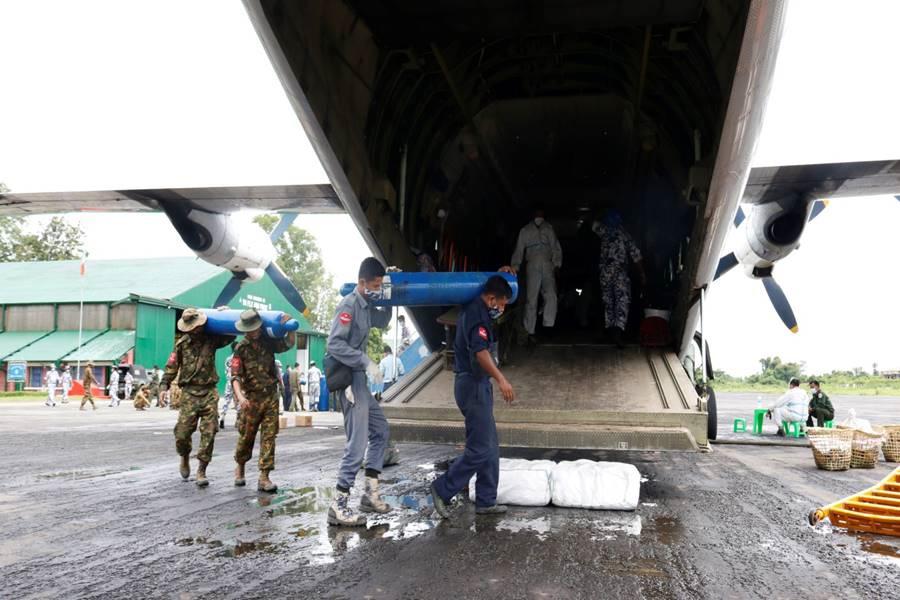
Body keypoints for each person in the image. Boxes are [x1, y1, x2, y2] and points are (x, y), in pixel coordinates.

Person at [430, 274, 516, 518]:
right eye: (500, 305)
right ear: (490, 299)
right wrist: (501, 379)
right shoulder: (476, 315)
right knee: (479, 449)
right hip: (472, 385)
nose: (501, 309)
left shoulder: (480, 311)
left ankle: (486, 500)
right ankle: (442, 488)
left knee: (490, 446)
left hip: (478, 384)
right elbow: (480, 352)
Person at [326, 257, 393, 526]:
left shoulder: (367, 306)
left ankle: (370, 494)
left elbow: (382, 322)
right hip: (350, 380)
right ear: (361, 282)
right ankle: (338, 504)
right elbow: (334, 344)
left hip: (360, 380)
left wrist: (390, 296)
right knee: (357, 444)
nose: (376, 289)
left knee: (381, 431)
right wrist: (365, 361)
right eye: (375, 286)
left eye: (380, 286)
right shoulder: (349, 305)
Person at [160, 308, 235, 487]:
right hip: (189, 394)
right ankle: (184, 456)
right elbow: (171, 367)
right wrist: (164, 386)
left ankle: (202, 470)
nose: (195, 330)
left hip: (209, 392)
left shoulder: (212, 339)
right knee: (182, 433)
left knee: (209, 432)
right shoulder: (181, 345)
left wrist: (225, 315)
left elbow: (231, 335)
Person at [232, 309, 295, 493]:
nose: (256, 331)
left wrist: (292, 326)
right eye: (252, 329)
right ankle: (240, 467)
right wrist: (241, 397)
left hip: (270, 397)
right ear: (245, 330)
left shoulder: (268, 342)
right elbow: (235, 377)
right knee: (246, 437)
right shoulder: (240, 348)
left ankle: (264, 477)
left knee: (269, 436)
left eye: (257, 328)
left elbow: (288, 343)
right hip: (250, 399)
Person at [592, 210, 646, 347]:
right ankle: (617, 334)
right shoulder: (624, 234)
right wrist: (642, 274)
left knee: (607, 302)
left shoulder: (603, 231)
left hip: (605, 273)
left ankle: (608, 332)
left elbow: (593, 223)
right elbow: (636, 255)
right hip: (620, 273)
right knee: (621, 302)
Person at [510, 206, 562, 338]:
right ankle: (529, 330)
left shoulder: (549, 229)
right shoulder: (525, 230)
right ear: (533, 214)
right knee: (531, 299)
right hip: (532, 265)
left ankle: (548, 325)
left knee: (551, 295)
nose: (539, 215)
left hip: (547, 264)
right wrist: (515, 267)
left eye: (541, 212)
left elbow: (556, 248)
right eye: (537, 212)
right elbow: (519, 249)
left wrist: (557, 264)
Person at [219, 345, 237, 428]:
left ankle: (222, 417)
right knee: (239, 401)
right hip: (237, 382)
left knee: (226, 401)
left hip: (229, 382)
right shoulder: (239, 359)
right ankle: (238, 420)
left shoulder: (228, 359)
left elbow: (226, 371)